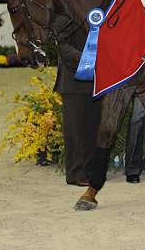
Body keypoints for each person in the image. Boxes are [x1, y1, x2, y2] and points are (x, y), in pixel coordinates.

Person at [52, 13, 101, 187]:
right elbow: (61, 45)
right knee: (75, 130)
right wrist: (87, 59)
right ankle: (75, 172)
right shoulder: (64, 15)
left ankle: (88, 170)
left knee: (92, 128)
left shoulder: (96, 12)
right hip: (73, 81)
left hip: (96, 80)